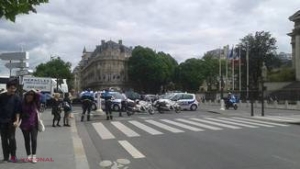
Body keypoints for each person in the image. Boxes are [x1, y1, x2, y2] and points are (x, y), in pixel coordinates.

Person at [0, 80, 21, 163]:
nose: (13, 90)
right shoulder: (1, 97)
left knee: (12, 139)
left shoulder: (16, 97)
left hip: (11, 122)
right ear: (7, 88)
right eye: (11, 88)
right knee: (4, 139)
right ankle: (5, 157)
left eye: (14, 88)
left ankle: (13, 156)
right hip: (2, 121)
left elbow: (18, 110)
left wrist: (17, 120)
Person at [20, 89, 40, 163]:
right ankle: (28, 155)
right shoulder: (22, 103)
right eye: (28, 94)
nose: (30, 96)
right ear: (26, 95)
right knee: (27, 140)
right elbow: (19, 112)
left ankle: (34, 156)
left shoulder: (35, 103)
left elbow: (38, 95)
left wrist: (33, 91)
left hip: (34, 124)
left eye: (32, 95)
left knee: (34, 139)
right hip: (24, 125)